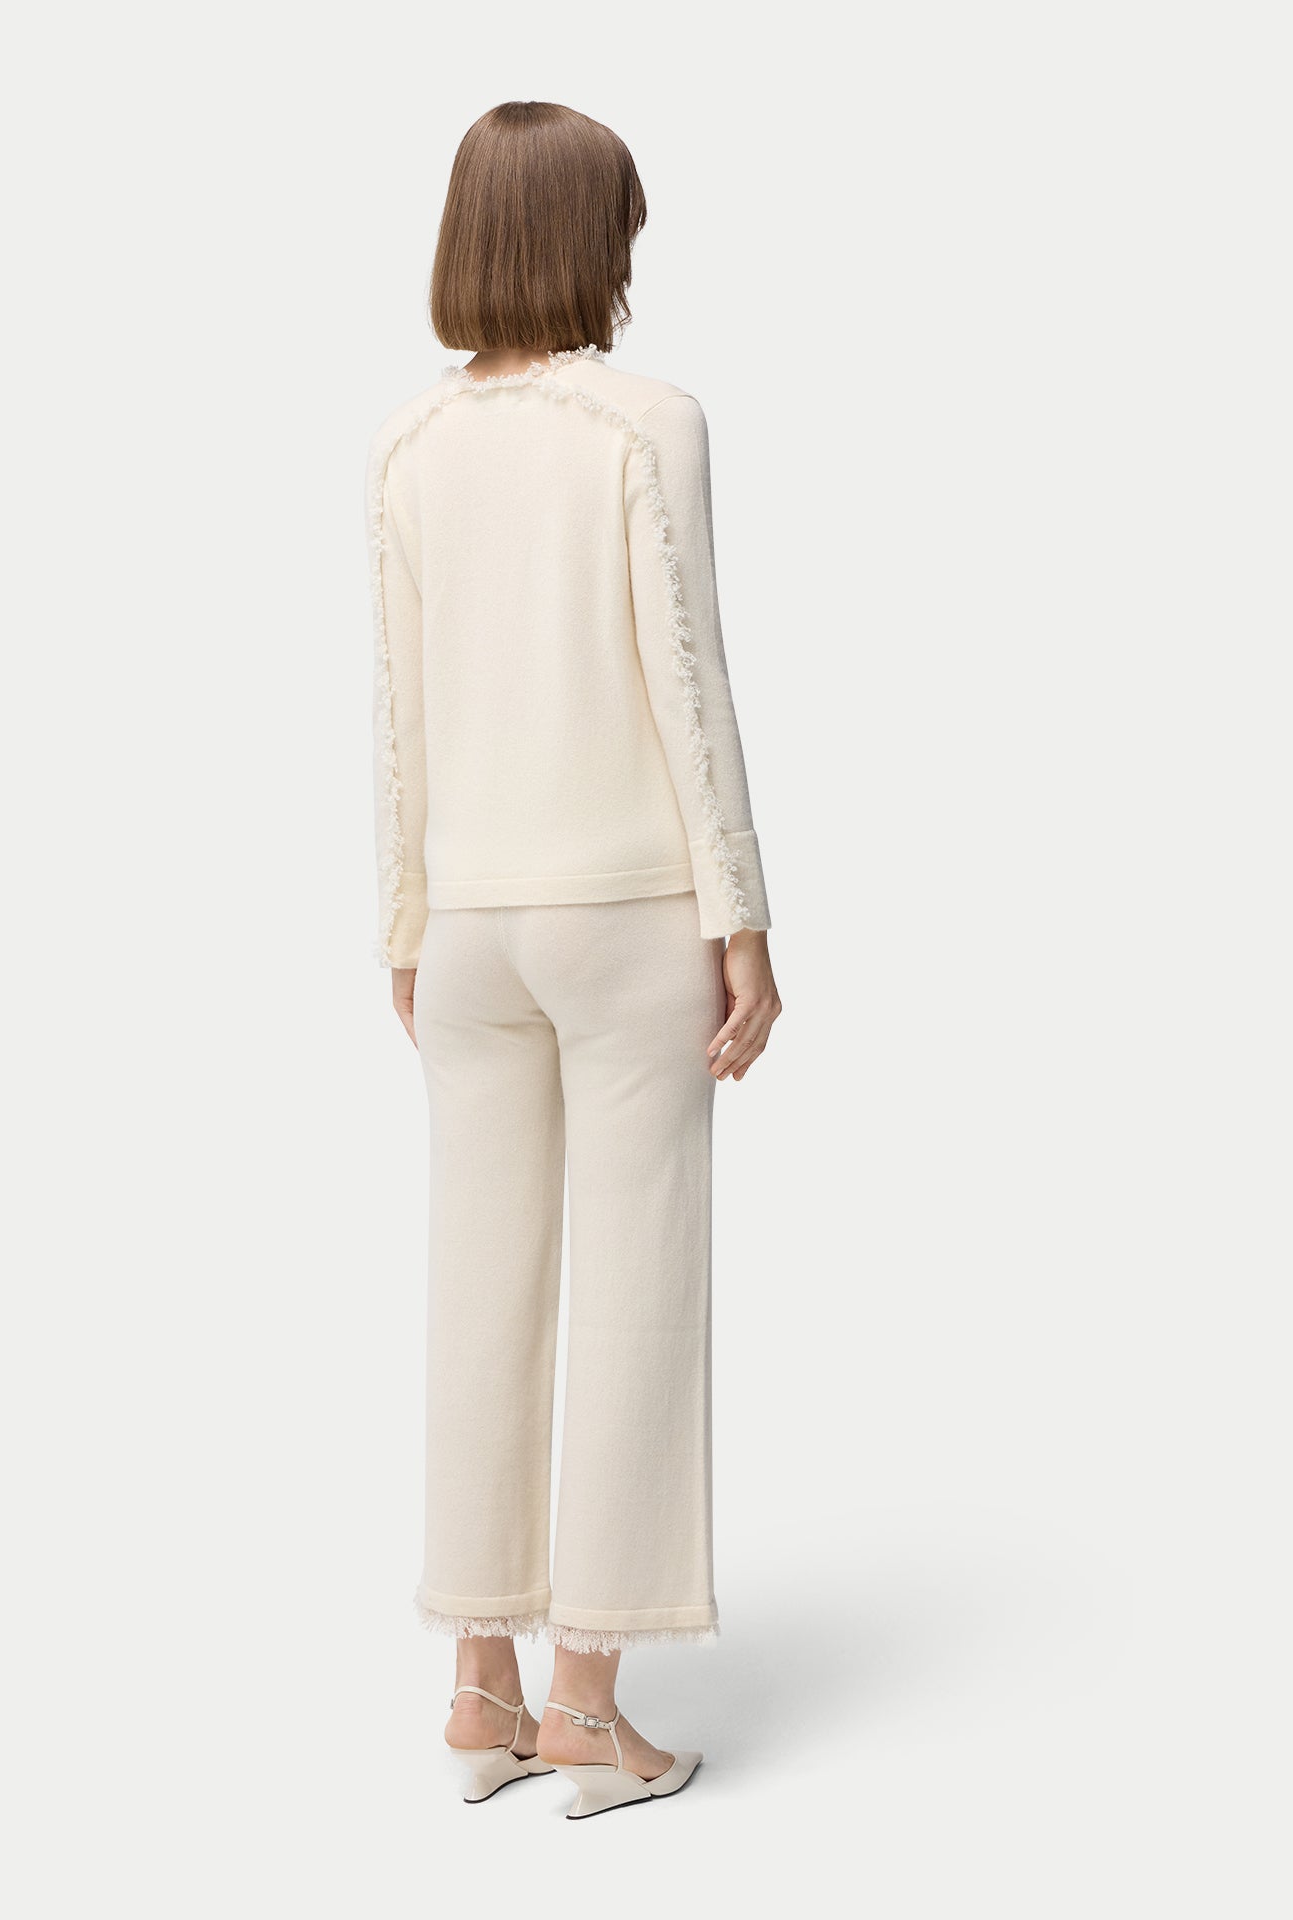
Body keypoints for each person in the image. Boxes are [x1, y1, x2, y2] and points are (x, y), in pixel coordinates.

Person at [367, 100, 781, 1818]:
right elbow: (687, 672)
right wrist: (743, 914)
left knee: (481, 1291)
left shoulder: (408, 447)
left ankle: (480, 1690)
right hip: (625, 918)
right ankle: (591, 1712)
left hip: (470, 930)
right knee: (634, 1295)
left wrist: (405, 921)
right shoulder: (646, 424)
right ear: (591, 237)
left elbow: (400, 707)